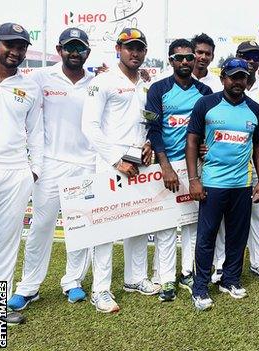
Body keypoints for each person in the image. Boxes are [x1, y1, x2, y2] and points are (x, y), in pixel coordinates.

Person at [8, 28, 94, 312]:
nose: (74, 53)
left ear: (87, 53)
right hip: (50, 164)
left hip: (85, 165)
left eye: (80, 48)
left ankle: (73, 282)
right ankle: (28, 287)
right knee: (41, 227)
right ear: (59, 50)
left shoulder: (95, 82)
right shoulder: (41, 78)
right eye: (69, 48)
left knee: (79, 228)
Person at [82, 27, 157, 313]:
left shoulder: (147, 83)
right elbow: (89, 126)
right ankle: (100, 289)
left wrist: (149, 143)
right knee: (104, 228)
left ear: (145, 52)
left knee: (137, 221)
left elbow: (148, 121)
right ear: (118, 49)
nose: (134, 52)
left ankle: (135, 278)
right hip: (109, 163)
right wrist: (116, 160)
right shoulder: (102, 81)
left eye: (139, 48)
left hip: (138, 162)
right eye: (129, 48)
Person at [186, 57, 259, 310]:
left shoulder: (254, 109)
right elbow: (191, 142)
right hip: (211, 183)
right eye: (233, 77)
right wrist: (193, 180)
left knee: (237, 236)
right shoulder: (206, 104)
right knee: (207, 237)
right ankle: (200, 287)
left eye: (242, 77)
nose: (238, 82)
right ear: (223, 79)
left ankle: (230, 280)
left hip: (242, 184)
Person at [146, 38, 212, 301]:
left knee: (192, 224)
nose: (184, 62)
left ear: (195, 60)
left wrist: (207, 144)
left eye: (188, 57)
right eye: (178, 57)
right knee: (165, 225)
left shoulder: (205, 91)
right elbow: (154, 129)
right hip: (168, 165)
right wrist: (165, 166)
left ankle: (186, 272)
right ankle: (166, 279)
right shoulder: (157, 89)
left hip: (195, 167)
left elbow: (210, 126)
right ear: (170, 60)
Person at [211, 40, 259, 283]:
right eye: (247, 56)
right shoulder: (224, 85)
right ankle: (220, 264)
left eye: (256, 57)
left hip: (253, 161)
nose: (252, 61)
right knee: (223, 219)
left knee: (257, 214)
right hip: (225, 163)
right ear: (237, 57)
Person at [0, 22, 43, 325]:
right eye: (9, 44)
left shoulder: (30, 86)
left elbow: (37, 132)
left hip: (14, 172)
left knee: (6, 244)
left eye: (21, 46)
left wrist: (34, 170)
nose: (15, 51)